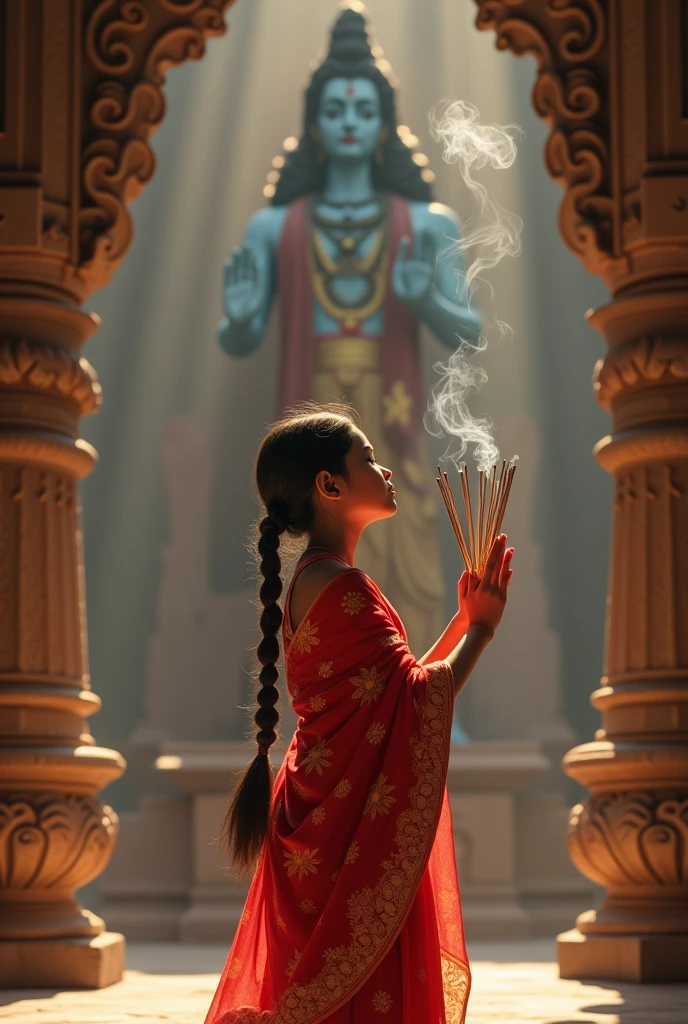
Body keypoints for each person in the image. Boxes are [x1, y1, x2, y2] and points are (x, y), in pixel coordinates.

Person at [205, 405, 514, 1024]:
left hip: (325, 814)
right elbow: (417, 699)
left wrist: (462, 618)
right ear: (330, 486)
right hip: (348, 832)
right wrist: (482, 629)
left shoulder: (315, 580)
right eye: (368, 458)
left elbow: (393, 697)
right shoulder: (344, 587)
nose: (386, 469)